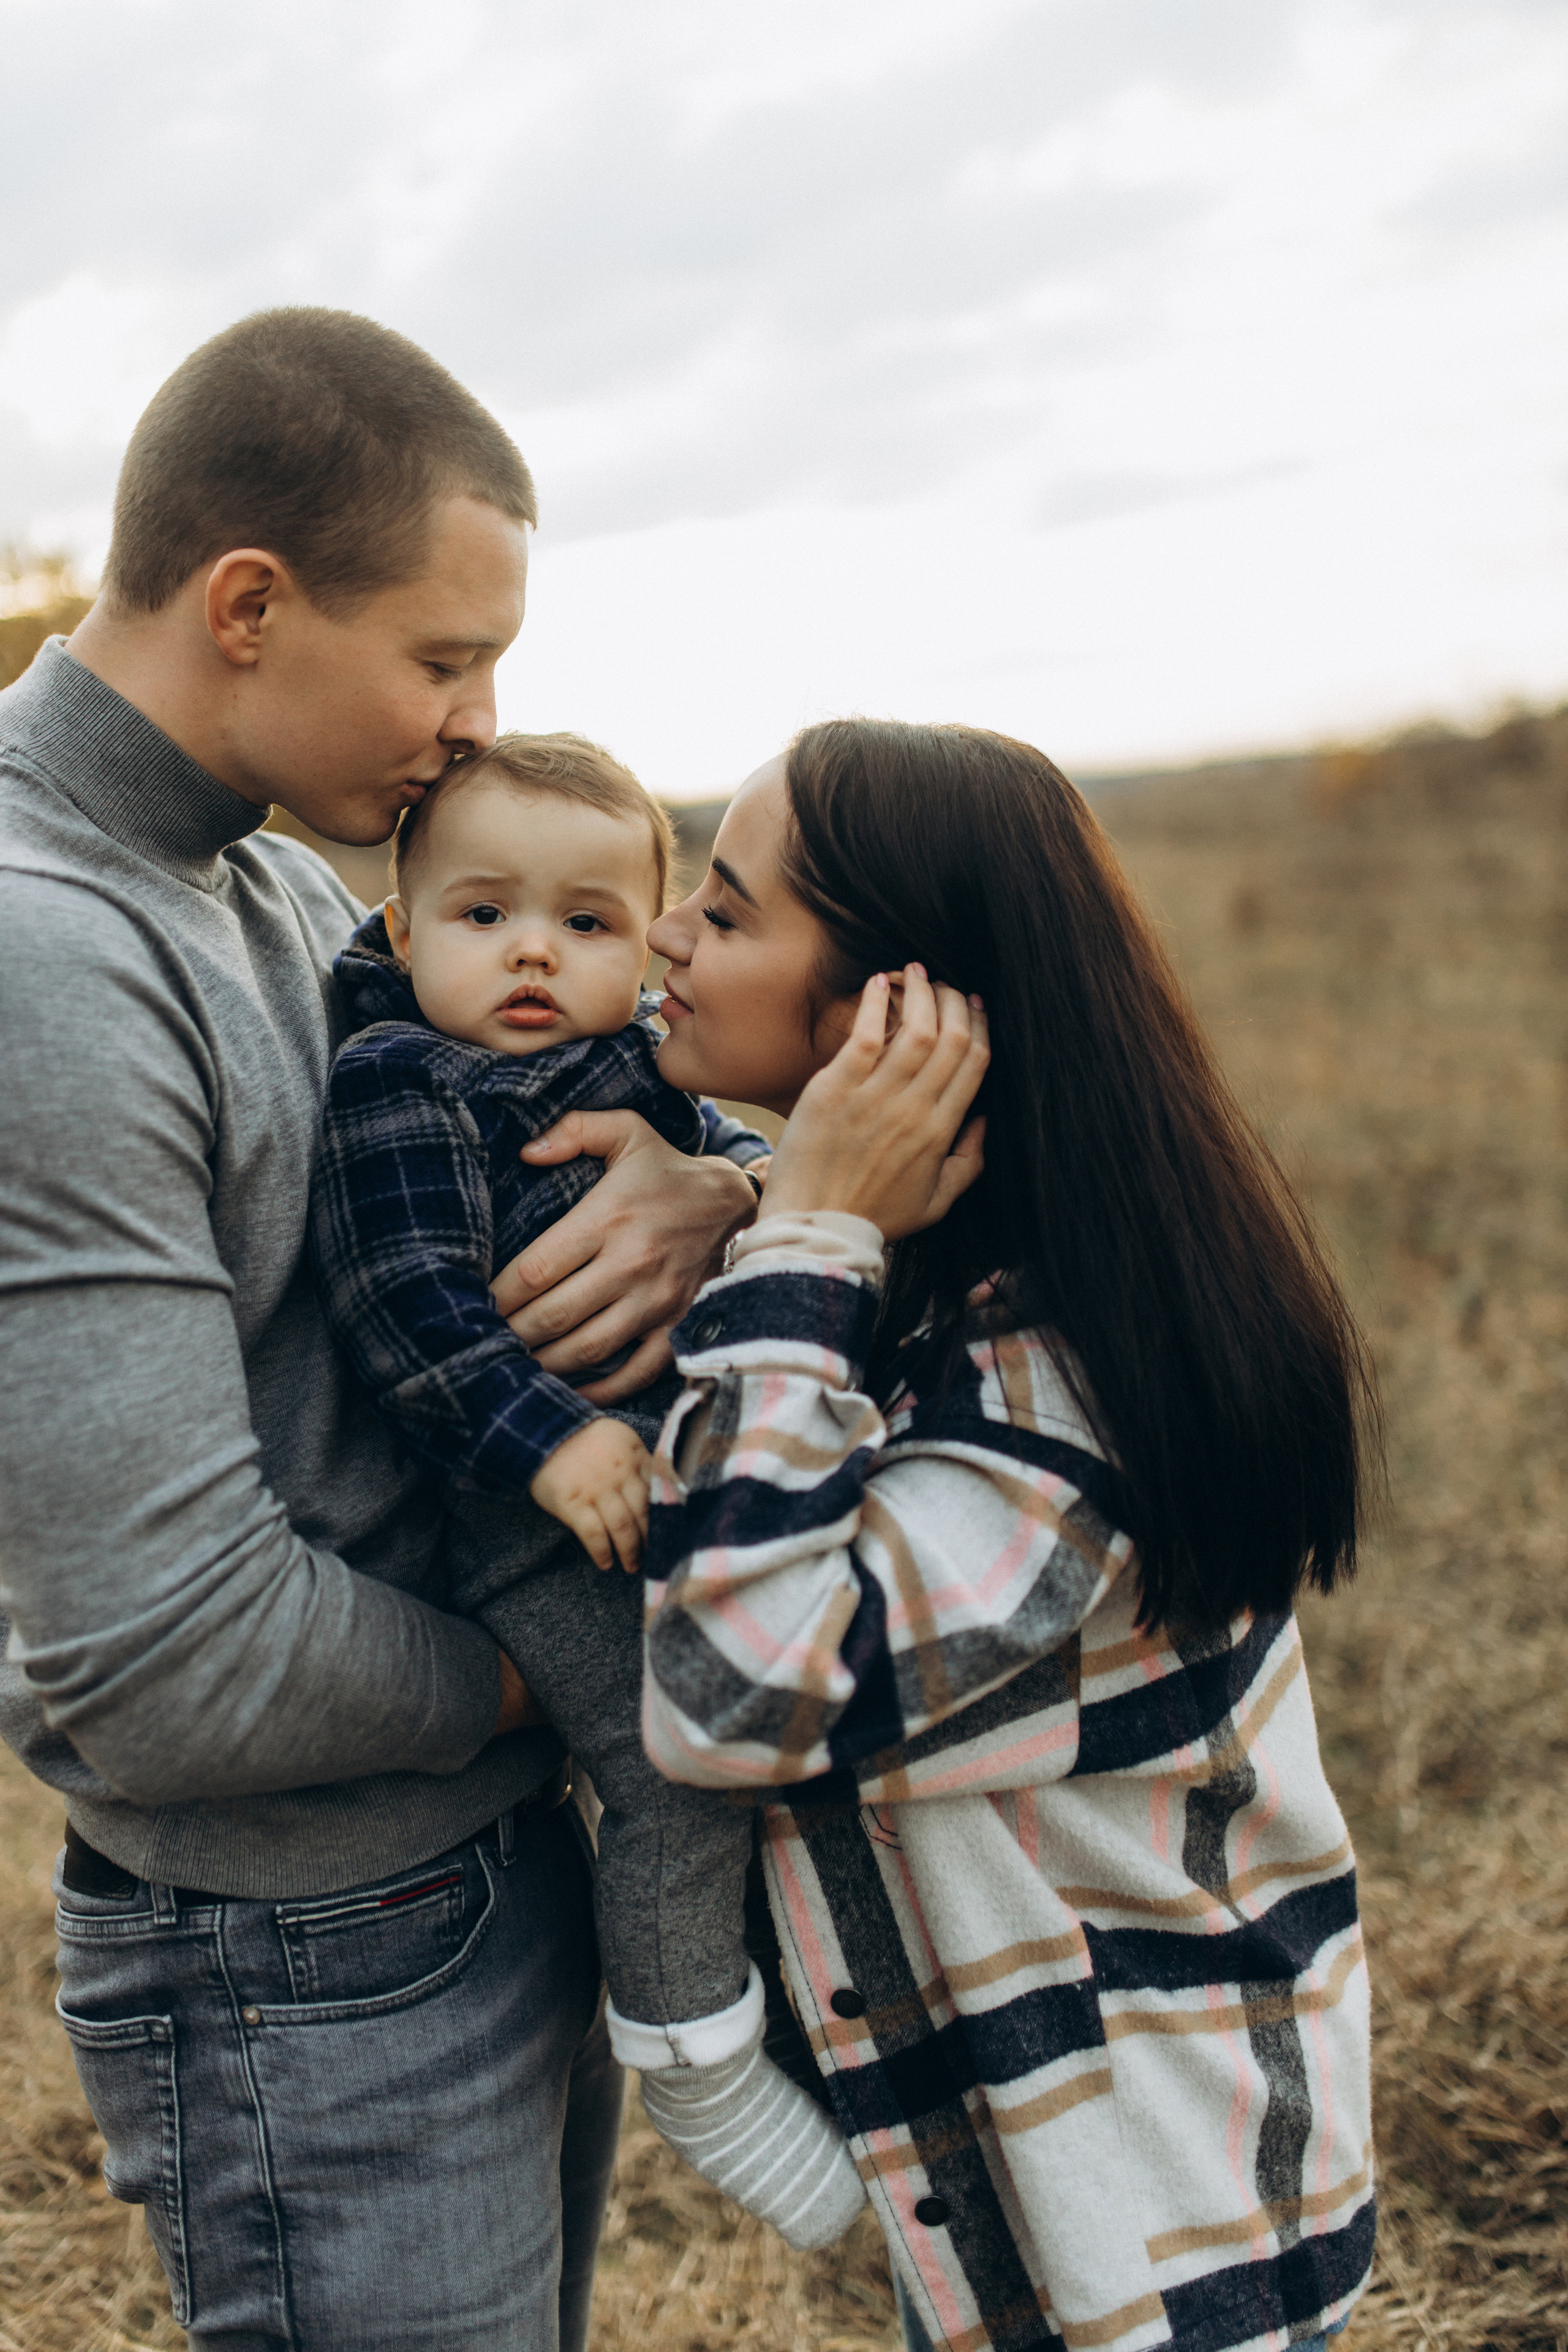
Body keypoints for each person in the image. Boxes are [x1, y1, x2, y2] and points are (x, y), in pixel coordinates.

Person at [0, 308, 760, 2351]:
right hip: (304, 1957)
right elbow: (165, 1661)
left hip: (476, 1870)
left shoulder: (268, 884)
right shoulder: (42, 957)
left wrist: (722, 1196)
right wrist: (590, 1687)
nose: (472, 722)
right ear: (249, 602)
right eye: (445, 658)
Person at [636, 720, 1377, 2352]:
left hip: (1163, 2253)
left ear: (904, 1020)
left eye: (731, 909)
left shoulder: (1058, 1398)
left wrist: (808, 1226)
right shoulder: (952, 1285)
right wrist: (768, 1202)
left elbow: (730, 1695)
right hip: (1056, 2207)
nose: (668, 934)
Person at [309, 728, 865, 2250]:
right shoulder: (401, 1083)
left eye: (587, 922)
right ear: (404, 928)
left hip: (687, 1494)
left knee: (780, 1736)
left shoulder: (646, 1069)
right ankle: (689, 2046)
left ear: (650, 946)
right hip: (535, 1534)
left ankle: (799, 2012)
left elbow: (762, 1157)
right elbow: (401, 1304)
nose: (532, 957)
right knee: (667, 1756)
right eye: (484, 917)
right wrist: (551, 1442)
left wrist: (744, 1181)